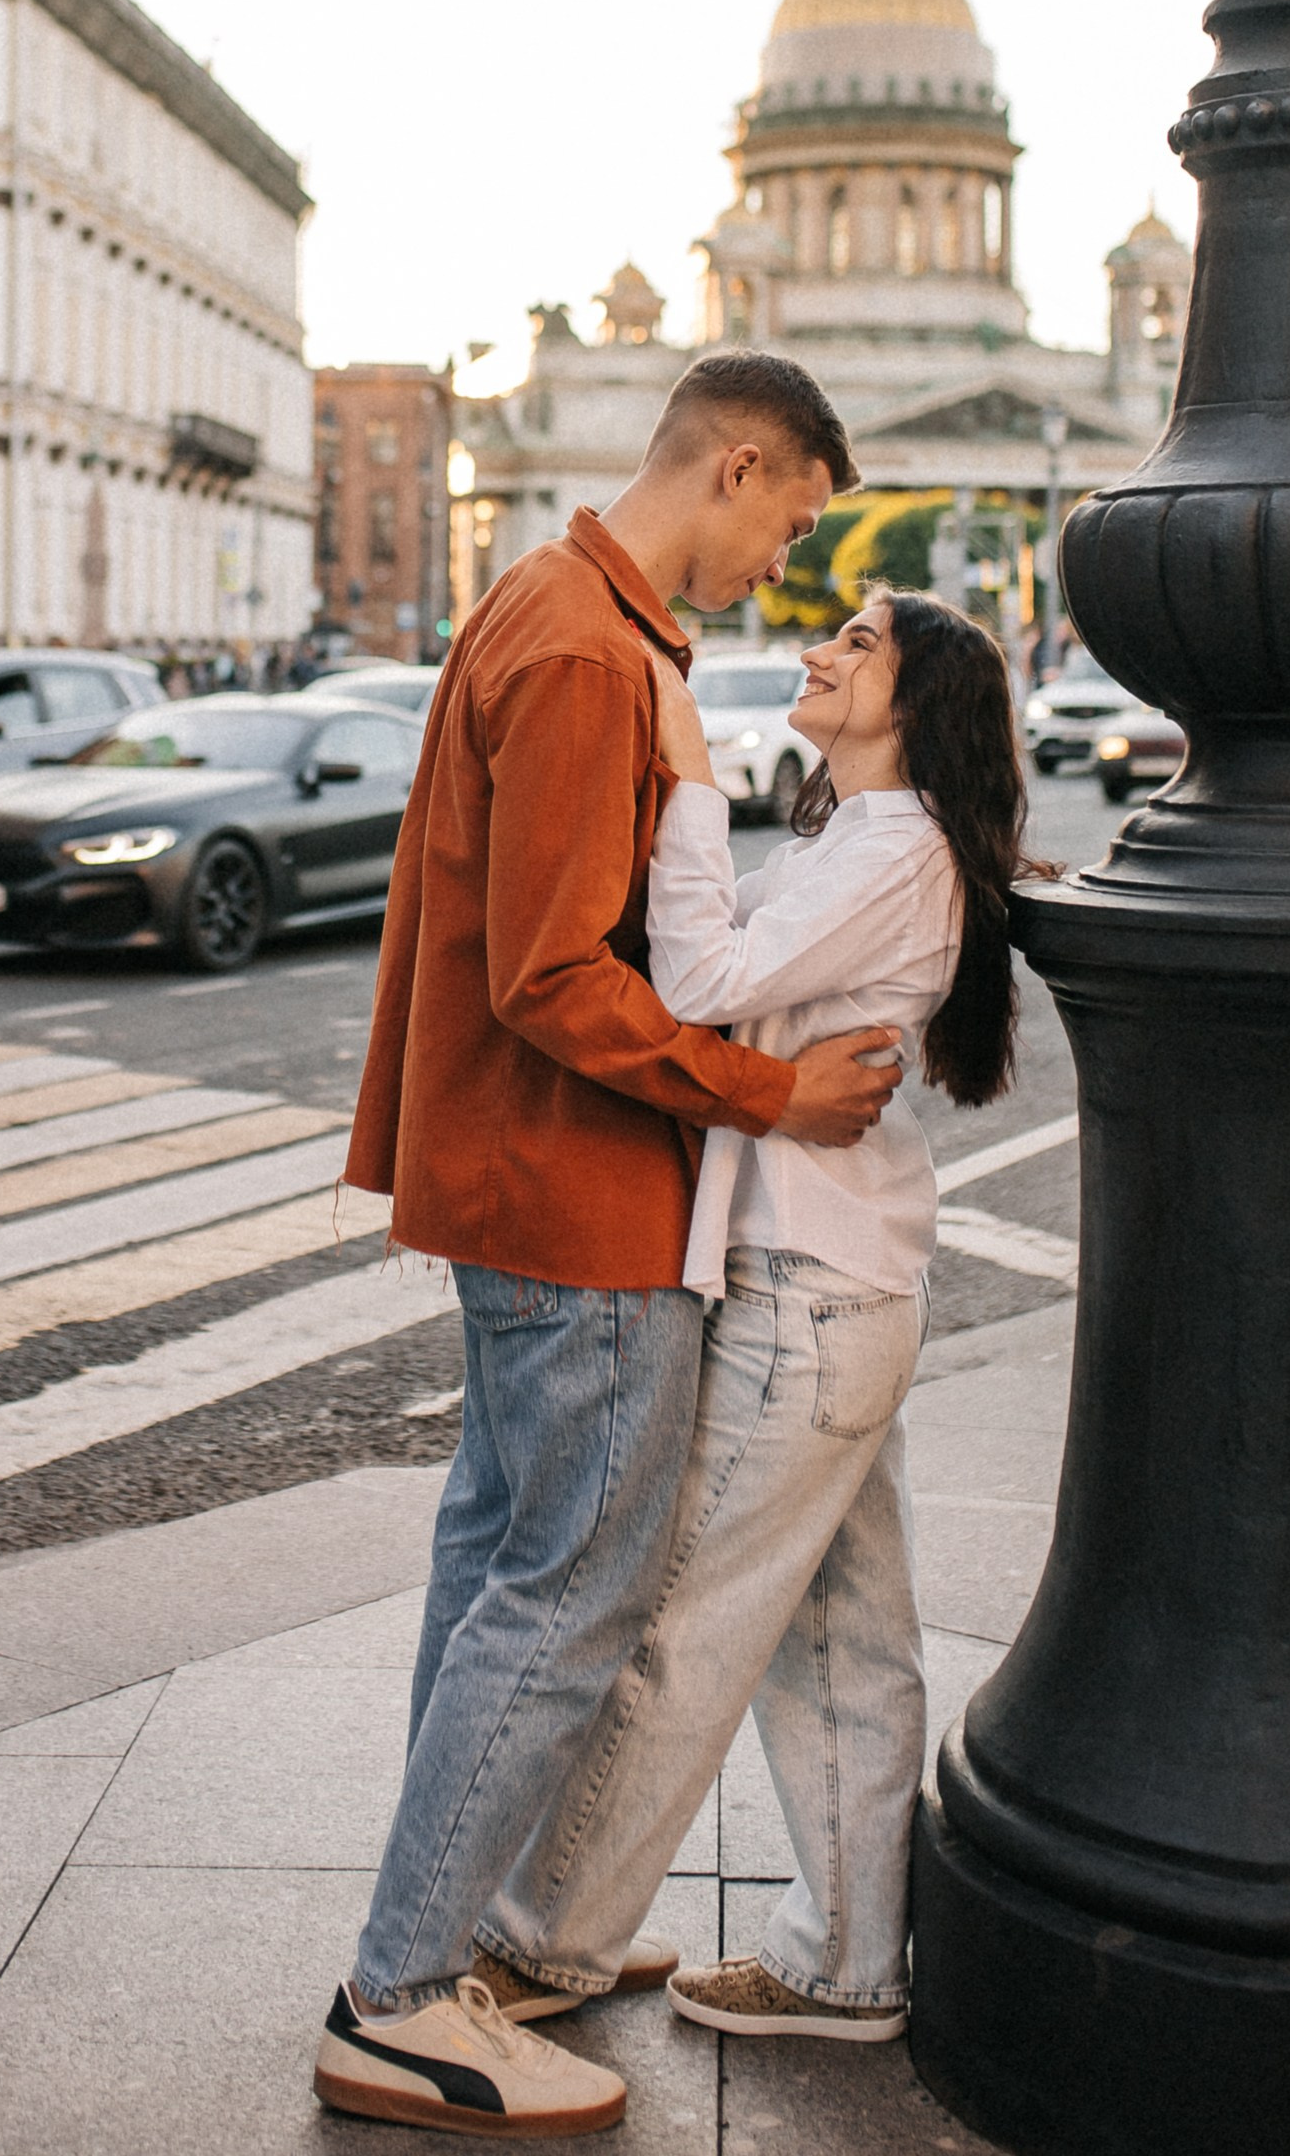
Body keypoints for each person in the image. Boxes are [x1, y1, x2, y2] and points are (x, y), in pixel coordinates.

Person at [315, 354, 906, 2141]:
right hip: (577, 1192)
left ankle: (453, 1940)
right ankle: (403, 2000)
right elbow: (553, 975)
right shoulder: (586, 649)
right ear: (738, 463)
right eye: (791, 520)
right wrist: (768, 1094)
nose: (787, 565)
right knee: (570, 1595)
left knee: (498, 1575)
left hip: (520, 1179)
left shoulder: (555, 603)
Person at [471, 587, 1028, 2047]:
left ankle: (544, 1941)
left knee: (681, 1626)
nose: (816, 650)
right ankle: (846, 1963)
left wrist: (693, 789)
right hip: (840, 1284)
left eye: (858, 642)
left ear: (918, 704)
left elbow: (701, 980)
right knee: (842, 1639)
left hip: (807, 1296)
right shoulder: (866, 838)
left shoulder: (896, 848)